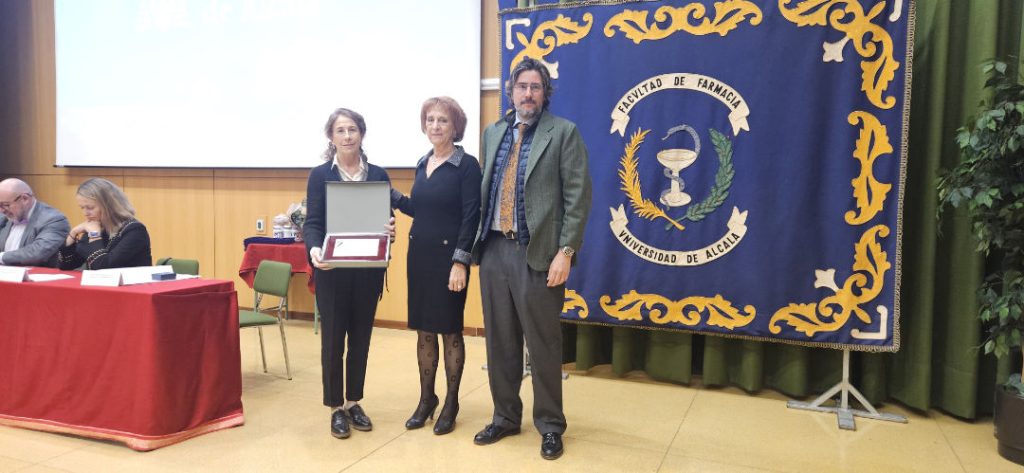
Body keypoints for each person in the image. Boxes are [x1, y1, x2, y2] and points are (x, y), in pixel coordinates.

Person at [471, 57, 592, 460]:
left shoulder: (564, 133)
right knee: (500, 344)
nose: (528, 94)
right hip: (493, 250)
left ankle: (551, 425)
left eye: (535, 87)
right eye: (522, 86)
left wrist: (566, 252)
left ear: (545, 93)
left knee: (543, 346)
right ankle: (505, 417)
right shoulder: (493, 133)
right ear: (510, 91)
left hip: (538, 254)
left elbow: (578, 198)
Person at [391, 97, 482, 435]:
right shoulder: (422, 162)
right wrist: (395, 198)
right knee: (424, 330)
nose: (435, 126)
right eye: (430, 119)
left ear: (455, 127)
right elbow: (422, 209)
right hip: (419, 257)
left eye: (443, 120)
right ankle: (427, 399)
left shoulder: (466, 165)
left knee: (449, 331)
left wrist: (461, 261)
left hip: (449, 262)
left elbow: (471, 216)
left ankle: (452, 403)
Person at [303, 108, 395, 440]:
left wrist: (390, 231)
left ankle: (354, 402)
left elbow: (386, 223)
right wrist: (315, 251)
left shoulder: (378, 175)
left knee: (360, 340)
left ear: (362, 134)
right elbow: (313, 223)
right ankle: (335, 408)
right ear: (331, 136)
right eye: (340, 130)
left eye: (352, 129)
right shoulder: (319, 176)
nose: (347, 136)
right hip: (332, 272)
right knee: (332, 341)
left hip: (367, 273)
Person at [57, 178, 151, 270]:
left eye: (90, 207)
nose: (85, 213)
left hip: (132, 280)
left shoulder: (134, 230)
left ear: (109, 205)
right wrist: (73, 233)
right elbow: (67, 265)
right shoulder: (97, 226)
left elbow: (103, 267)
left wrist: (94, 235)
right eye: (82, 208)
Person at [0, 178, 70, 267]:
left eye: (5, 205)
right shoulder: (3, 217)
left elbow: (37, 252)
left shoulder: (54, 219)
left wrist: (2, 257)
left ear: (25, 199)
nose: (1, 210)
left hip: (37, 275)